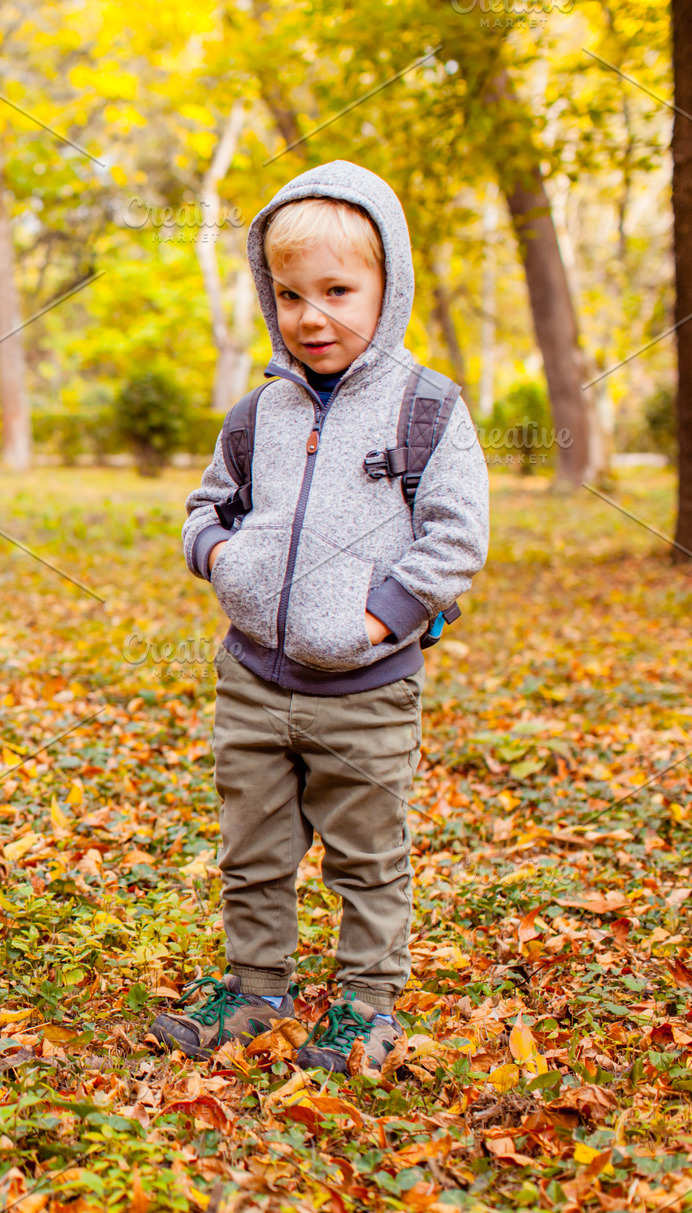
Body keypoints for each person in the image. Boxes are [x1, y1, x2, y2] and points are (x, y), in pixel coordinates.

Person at [154, 161, 490, 1072]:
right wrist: (223, 560)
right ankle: (256, 991)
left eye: (339, 291)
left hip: (367, 692)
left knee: (367, 853)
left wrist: (380, 621)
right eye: (291, 293)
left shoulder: (428, 409)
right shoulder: (260, 411)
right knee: (253, 850)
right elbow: (205, 506)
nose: (313, 316)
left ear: (391, 286)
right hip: (254, 682)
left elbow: (456, 539)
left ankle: (367, 1004)